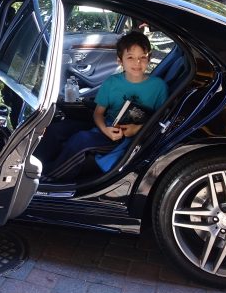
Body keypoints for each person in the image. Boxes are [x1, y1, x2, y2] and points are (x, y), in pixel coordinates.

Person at [33, 31, 169, 182]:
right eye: (130, 58)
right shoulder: (111, 82)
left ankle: (47, 177)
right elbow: (98, 114)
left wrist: (138, 129)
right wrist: (105, 130)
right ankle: (30, 166)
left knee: (81, 140)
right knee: (56, 129)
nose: (137, 63)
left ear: (149, 59)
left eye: (142, 58)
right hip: (107, 127)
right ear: (120, 60)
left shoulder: (158, 87)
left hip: (125, 138)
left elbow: (161, 119)